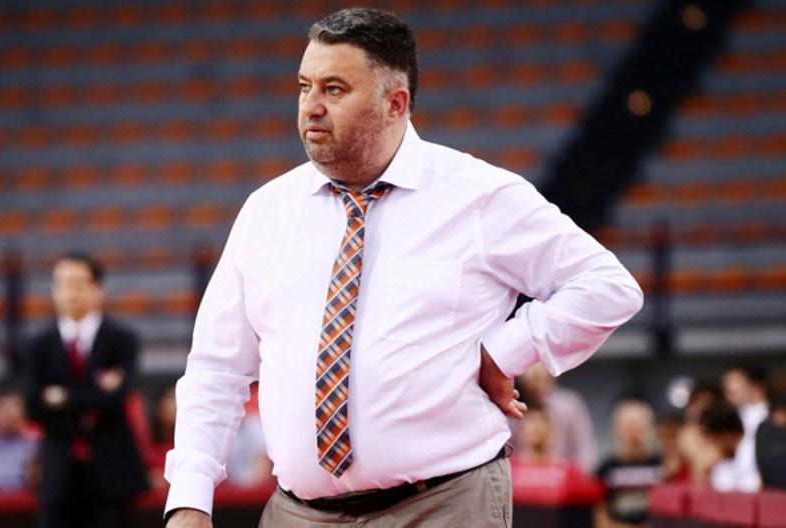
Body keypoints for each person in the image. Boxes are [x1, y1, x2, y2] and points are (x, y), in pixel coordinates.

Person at [164, 8, 643, 528]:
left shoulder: (479, 196)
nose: (311, 107)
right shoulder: (266, 211)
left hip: (444, 506)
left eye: (334, 89)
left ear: (395, 103)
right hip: (296, 514)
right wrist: (189, 498)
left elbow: (608, 287)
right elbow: (217, 368)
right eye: (304, 87)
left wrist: (506, 350)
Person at [22, 252, 148, 528]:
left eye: (78, 283)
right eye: (62, 284)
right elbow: (33, 407)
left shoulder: (122, 339)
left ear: (98, 289)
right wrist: (94, 394)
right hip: (58, 473)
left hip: (112, 473)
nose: (70, 292)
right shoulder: (37, 346)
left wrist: (62, 396)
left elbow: (116, 398)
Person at [516, 362, 598, 473]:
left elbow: (585, 453)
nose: (536, 372)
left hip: (563, 477)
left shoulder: (568, 406)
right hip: (521, 477)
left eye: (540, 364)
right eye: (529, 365)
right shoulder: (510, 408)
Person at [595, 400, 663, 528]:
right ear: (616, 429)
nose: (634, 434)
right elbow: (600, 512)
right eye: (629, 427)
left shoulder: (661, 465)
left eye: (639, 427)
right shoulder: (605, 468)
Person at [718, 363, 768, 491]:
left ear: (755, 385)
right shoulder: (731, 417)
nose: (728, 387)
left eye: (735, 381)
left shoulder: (772, 417)